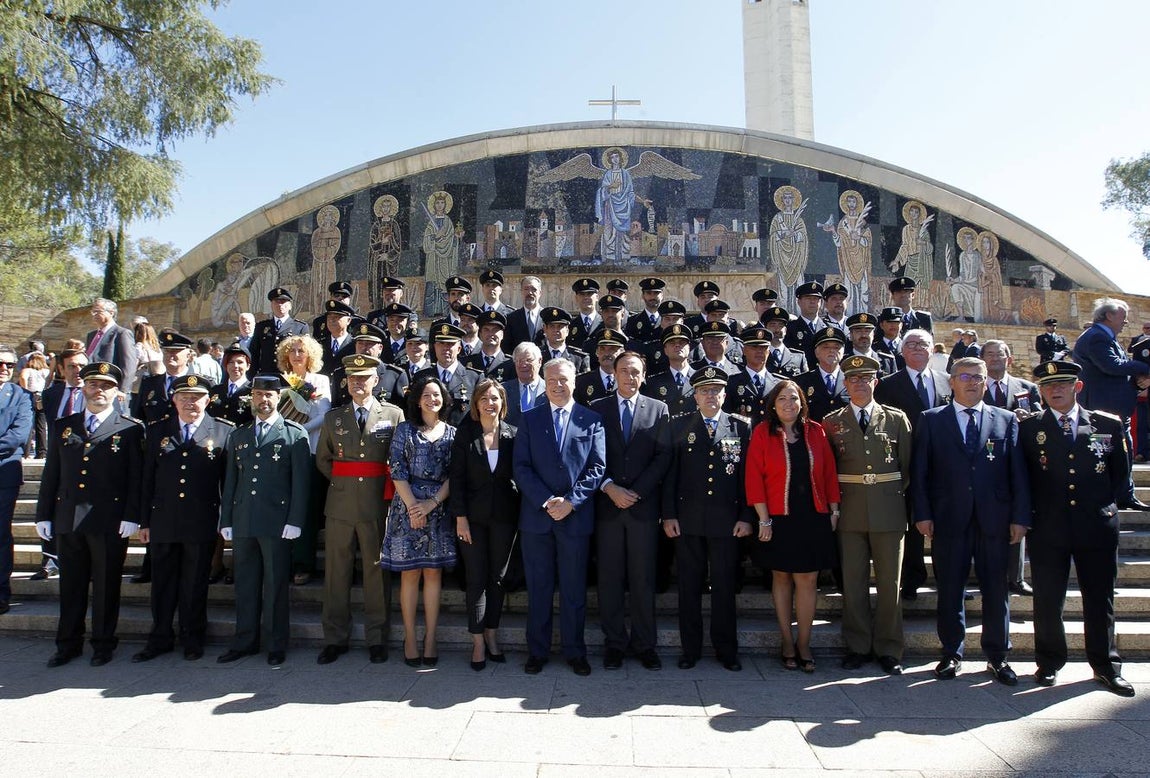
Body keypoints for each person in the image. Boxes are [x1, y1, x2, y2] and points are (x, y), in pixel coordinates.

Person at [910, 357, 1031, 685]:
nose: (973, 382)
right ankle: (951, 652)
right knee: (950, 588)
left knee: (996, 590)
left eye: (978, 377)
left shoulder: (1006, 420)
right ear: (951, 382)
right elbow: (920, 473)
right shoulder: (931, 420)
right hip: (949, 519)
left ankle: (998, 656)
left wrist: (1020, 517)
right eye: (965, 376)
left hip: (995, 520)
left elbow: (1017, 473)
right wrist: (922, 513)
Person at [1020, 360, 1134, 696]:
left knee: (1100, 599)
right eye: (1048, 386)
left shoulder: (1107, 425)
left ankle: (1105, 665)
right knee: (1047, 598)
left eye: (1063, 384)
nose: (1055, 390)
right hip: (1048, 526)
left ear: (1077, 387)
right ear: (1040, 391)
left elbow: (1120, 476)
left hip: (1095, 525)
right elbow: (1023, 478)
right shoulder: (1029, 430)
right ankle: (1049, 661)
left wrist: (1104, 507)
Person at [35, 362, 143, 666]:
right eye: (94, 385)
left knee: (107, 585)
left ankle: (103, 643)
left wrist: (132, 515)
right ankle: (67, 643)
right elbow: (52, 473)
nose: (99, 391)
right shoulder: (64, 425)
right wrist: (44, 514)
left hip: (108, 518)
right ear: (83, 388)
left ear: (117, 392)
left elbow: (136, 477)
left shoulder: (130, 428)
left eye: (107, 386)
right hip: (68, 516)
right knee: (71, 585)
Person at [513, 358, 606, 676]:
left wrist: (571, 502)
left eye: (563, 379)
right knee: (538, 588)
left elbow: (597, 467)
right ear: (544, 380)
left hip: (575, 518)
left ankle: (574, 651)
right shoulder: (529, 419)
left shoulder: (590, 419)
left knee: (573, 589)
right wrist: (546, 500)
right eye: (551, 379)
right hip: (537, 520)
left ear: (574, 382)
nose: (557, 384)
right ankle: (537, 651)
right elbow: (521, 467)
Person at [822, 356, 912, 675]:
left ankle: (889, 647)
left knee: (890, 583)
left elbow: (907, 468)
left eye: (866, 378)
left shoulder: (896, 420)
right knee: (853, 582)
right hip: (849, 510)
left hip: (888, 510)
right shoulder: (832, 422)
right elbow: (827, 469)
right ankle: (858, 645)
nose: (860, 384)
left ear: (876, 382)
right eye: (853, 379)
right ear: (844, 384)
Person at [133, 375, 233, 662]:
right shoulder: (157, 431)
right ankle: (160, 637)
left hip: (201, 519)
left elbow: (227, 483)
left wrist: (225, 521)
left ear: (208, 400)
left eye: (197, 396)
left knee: (194, 583)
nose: (191, 402)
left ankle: (193, 637)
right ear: (174, 400)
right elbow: (147, 479)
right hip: (164, 519)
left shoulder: (223, 432)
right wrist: (144, 521)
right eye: (184, 396)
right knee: (162, 582)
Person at [314, 354, 405, 666]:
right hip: (340, 504)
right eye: (353, 378)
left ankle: (377, 638)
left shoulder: (393, 415)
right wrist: (346, 483)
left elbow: (400, 457)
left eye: (364, 377)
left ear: (375, 381)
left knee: (375, 571)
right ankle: (335, 638)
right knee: (335, 573)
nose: (358, 383)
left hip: (376, 503)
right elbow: (323, 460)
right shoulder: (333, 418)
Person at [663, 367, 753, 671]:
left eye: (716, 390)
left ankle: (726, 649)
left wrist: (746, 516)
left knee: (725, 588)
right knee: (689, 587)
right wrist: (669, 515)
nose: (710, 396)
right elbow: (670, 476)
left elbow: (746, 479)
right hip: (688, 520)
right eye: (704, 391)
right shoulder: (679, 426)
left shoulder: (741, 428)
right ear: (695, 396)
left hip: (727, 522)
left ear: (724, 394)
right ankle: (690, 649)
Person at [218, 375, 311, 666]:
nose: (264, 400)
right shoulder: (240, 435)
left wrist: (295, 520)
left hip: (276, 522)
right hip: (244, 519)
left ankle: (275, 643)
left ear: (279, 398)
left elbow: (301, 484)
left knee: (274, 585)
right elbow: (231, 481)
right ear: (252, 398)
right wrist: (227, 519)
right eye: (258, 394)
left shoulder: (294, 434)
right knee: (245, 584)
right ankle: (244, 641)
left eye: (269, 395)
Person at [747, 380, 840, 673]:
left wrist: (834, 508)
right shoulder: (763, 432)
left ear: (802, 402)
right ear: (773, 405)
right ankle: (787, 641)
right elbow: (754, 477)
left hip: (812, 515)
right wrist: (763, 519)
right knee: (782, 578)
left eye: (794, 399)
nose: (789, 404)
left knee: (807, 580)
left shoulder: (816, 430)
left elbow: (828, 471)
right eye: (782, 399)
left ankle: (804, 643)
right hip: (777, 517)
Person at [591, 351, 672, 671]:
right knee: (609, 579)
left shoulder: (658, 409)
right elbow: (589, 455)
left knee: (643, 579)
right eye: (624, 370)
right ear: (614, 373)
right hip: (607, 507)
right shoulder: (597, 408)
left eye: (636, 372)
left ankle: (644, 643)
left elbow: (663, 457)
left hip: (642, 508)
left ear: (643, 375)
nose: (629, 376)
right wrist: (610, 487)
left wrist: (636, 491)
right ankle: (614, 643)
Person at [380, 375, 457, 667]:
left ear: (444, 398)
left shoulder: (452, 433)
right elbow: (396, 469)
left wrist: (432, 503)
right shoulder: (404, 430)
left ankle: (431, 637)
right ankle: (411, 637)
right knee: (410, 573)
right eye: (426, 394)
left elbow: (454, 474)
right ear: (417, 399)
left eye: (436, 394)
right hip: (407, 507)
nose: (432, 399)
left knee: (433, 573)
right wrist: (415, 507)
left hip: (438, 507)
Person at [874, 328, 952, 600]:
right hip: (906, 463)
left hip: (942, 465)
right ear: (902, 351)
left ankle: (949, 580)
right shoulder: (888, 384)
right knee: (911, 522)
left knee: (945, 524)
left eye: (924, 344)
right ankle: (912, 578)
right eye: (912, 344)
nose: (918, 348)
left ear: (932, 349)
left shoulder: (947, 381)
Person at [449, 379, 520, 671]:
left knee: (498, 578)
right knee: (476, 579)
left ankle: (492, 634)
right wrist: (460, 518)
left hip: (505, 518)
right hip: (472, 520)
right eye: (484, 399)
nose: (490, 404)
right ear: (476, 405)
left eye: (495, 399)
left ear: (503, 403)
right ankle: (477, 640)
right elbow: (457, 480)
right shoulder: (465, 436)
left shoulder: (513, 435)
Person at [1072, 297, 1150, 510]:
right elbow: (1112, 366)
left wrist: (1136, 381)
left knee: (1123, 452)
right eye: (1122, 316)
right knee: (1104, 455)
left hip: (1114, 410)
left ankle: (1125, 495)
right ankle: (1109, 498)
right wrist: (1143, 368)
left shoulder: (1105, 338)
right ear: (1108, 315)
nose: (1125, 322)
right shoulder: (1097, 337)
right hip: (1102, 411)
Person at [275, 334, 332, 585]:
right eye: (292, 351)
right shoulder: (280, 382)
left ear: (310, 354)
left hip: (309, 452)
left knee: (306, 510)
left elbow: (325, 415)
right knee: (282, 508)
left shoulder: (320, 380)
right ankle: (281, 561)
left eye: (301, 350)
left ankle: (303, 563)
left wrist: (298, 429)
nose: (297, 355)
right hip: (282, 453)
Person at [0, 344, 33, 616]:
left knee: (0, 534)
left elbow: (18, 436)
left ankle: (1, 591)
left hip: (4, 472)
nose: (4, 369)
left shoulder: (20, 396)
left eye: (10, 365)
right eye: (0, 363)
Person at [249, 287, 310, 375]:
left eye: (283, 302)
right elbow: (254, 353)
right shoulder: (262, 327)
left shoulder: (300, 327)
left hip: (290, 375)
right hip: (266, 375)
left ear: (290, 306)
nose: (280, 305)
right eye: (276, 302)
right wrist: (252, 376)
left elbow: (305, 354)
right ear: (271, 305)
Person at [85, 298, 138, 394]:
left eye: (98, 311)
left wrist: (123, 390)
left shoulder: (121, 334)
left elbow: (129, 364)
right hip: (91, 387)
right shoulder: (91, 335)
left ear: (111, 313)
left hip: (110, 389)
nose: (94, 314)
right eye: (93, 311)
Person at [501, 341, 546, 427]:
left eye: (528, 360)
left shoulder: (551, 390)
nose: (523, 365)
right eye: (519, 361)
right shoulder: (502, 390)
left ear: (539, 361)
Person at [17, 351, 49, 458]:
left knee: (28, 424)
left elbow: (22, 377)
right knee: (41, 426)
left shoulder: (27, 370)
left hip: (31, 395)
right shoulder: (46, 371)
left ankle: (26, 452)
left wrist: (25, 390)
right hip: (42, 396)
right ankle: (42, 453)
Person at [132, 321, 163, 397]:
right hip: (157, 380)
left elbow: (133, 365)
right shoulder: (157, 348)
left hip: (142, 381)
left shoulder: (139, 346)